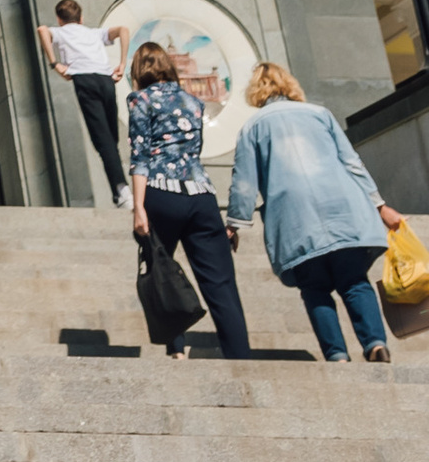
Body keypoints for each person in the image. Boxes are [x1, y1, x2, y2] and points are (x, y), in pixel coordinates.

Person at [225, 60, 406, 367]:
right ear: (290, 84)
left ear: (255, 91)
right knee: (354, 281)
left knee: (315, 288)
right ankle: (375, 343)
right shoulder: (319, 114)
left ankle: (336, 355)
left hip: (294, 219)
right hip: (343, 209)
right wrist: (380, 206)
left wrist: (234, 223)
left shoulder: (253, 128)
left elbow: (244, 181)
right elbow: (352, 162)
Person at [126, 36, 250, 358]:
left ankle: (177, 350)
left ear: (139, 70)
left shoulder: (140, 99)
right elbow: (193, 152)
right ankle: (240, 356)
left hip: (160, 191)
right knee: (221, 285)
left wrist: (138, 208)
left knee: (162, 272)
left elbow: (140, 157)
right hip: (200, 195)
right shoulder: (193, 102)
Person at [39, 0, 131, 202]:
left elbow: (42, 30)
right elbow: (123, 30)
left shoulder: (60, 32)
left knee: (103, 139)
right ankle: (120, 187)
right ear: (81, 18)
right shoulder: (93, 33)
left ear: (59, 19)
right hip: (106, 80)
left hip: (85, 79)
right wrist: (122, 64)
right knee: (110, 138)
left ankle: (121, 189)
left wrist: (55, 64)